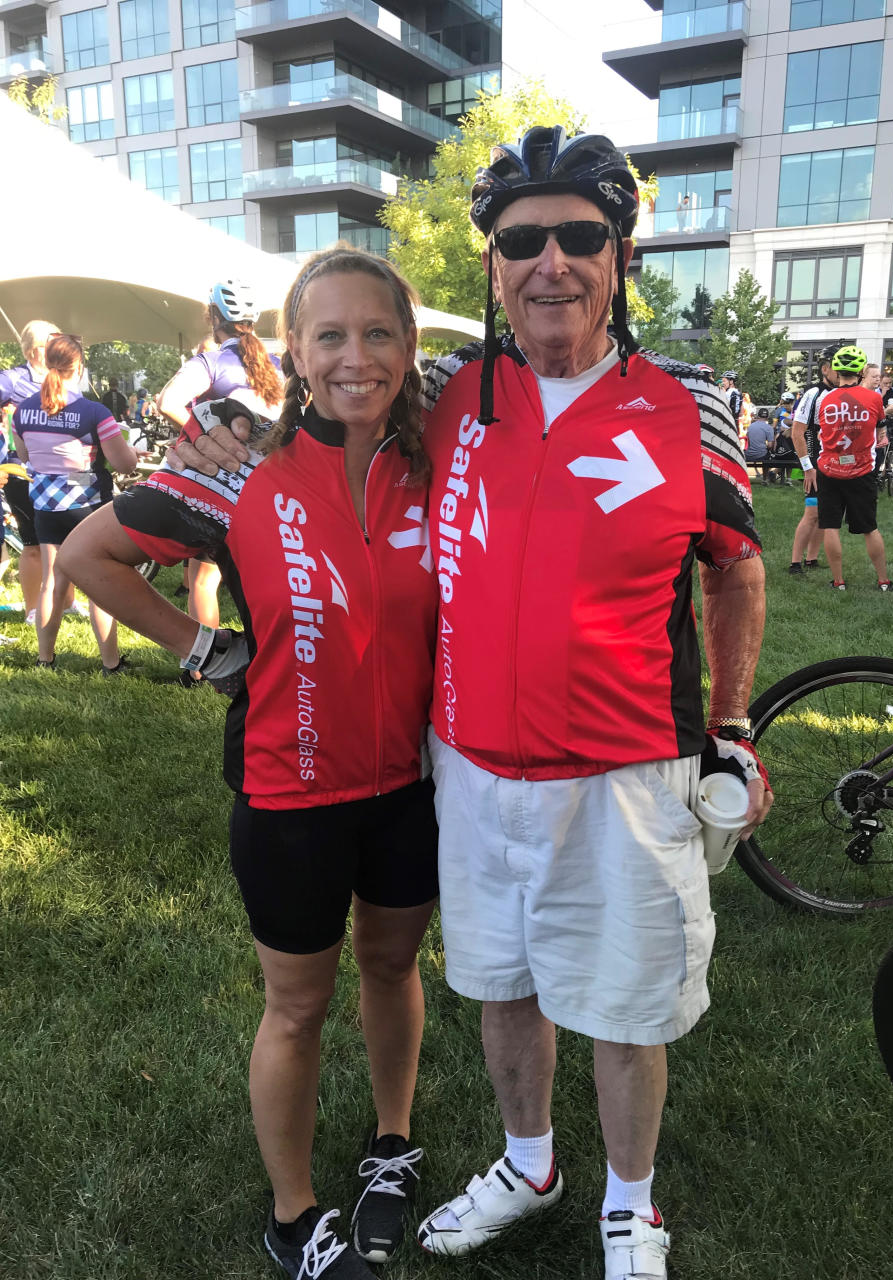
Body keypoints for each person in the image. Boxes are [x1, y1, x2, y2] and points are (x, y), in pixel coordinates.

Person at [173, 126, 773, 1280]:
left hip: (627, 769)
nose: (552, 263)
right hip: (472, 768)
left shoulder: (689, 400)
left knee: (625, 1003)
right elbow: (329, 410)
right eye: (522, 241)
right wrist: (225, 442)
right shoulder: (446, 392)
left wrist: (735, 722)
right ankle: (529, 1157)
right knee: (503, 983)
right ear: (493, 268)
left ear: (622, 253)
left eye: (580, 236)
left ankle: (631, 1203)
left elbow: (737, 565)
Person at [60, 248, 440, 1280]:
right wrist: (199, 647)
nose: (357, 356)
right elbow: (89, 552)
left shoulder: (439, 460)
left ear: (408, 346)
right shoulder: (240, 467)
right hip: (289, 792)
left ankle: (393, 1141)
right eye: (331, 335)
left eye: (380, 332)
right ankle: (293, 1213)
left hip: (411, 784)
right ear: (294, 352)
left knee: (394, 965)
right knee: (298, 1004)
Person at [157, 281, 284, 668]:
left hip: (220, 486)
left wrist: (205, 434)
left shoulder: (211, 362)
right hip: (270, 486)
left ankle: (202, 667)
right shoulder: (277, 364)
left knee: (203, 580)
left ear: (214, 318)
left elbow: (167, 402)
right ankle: (272, 658)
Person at [12, 333, 138, 671]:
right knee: (100, 582)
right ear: (79, 366)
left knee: (52, 581)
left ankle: (45, 659)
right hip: (88, 502)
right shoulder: (93, 411)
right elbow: (125, 464)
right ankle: (111, 663)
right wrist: (132, 453)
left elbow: (25, 456)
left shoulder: (22, 411)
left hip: (45, 505)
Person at [793, 344, 891, 592]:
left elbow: (818, 431)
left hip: (829, 470)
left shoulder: (825, 399)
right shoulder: (874, 398)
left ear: (836, 370)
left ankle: (838, 581)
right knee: (870, 528)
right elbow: (879, 428)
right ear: (860, 372)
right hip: (862, 470)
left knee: (831, 527)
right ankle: (883, 581)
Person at [0, 319, 58, 623]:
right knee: (34, 543)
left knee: (61, 541)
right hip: (22, 472)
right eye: (53, 342)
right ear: (36, 349)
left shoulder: (61, 377)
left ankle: (66, 599)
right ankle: (33, 608)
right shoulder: (11, 380)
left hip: (57, 472)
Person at [786, 342, 849, 575]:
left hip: (835, 462)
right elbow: (797, 432)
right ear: (824, 369)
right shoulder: (813, 393)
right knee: (812, 513)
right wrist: (807, 467)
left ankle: (812, 558)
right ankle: (795, 562)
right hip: (814, 461)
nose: (841, 373)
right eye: (837, 368)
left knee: (826, 514)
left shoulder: (843, 393)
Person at [743, 405, 774, 483]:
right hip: (761, 455)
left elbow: (747, 441)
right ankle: (765, 479)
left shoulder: (750, 427)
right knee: (768, 456)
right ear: (767, 417)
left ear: (758, 416)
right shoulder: (769, 428)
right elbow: (770, 445)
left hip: (748, 454)